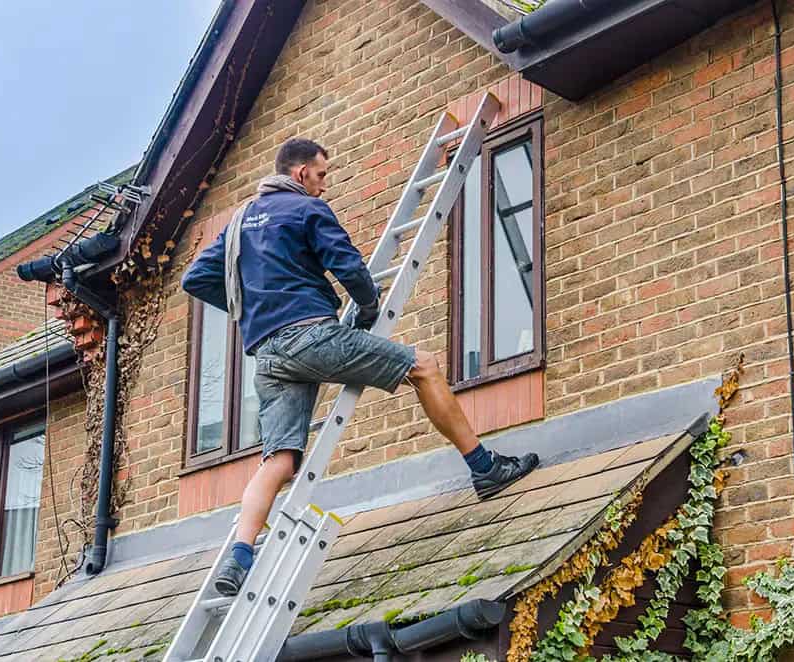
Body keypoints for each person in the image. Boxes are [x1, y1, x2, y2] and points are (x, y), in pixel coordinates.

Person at [181, 138, 538, 596]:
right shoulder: (306, 210)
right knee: (424, 367)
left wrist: (249, 305)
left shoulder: (238, 223)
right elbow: (348, 267)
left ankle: (240, 555)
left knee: (280, 459)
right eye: (322, 174)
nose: (324, 185)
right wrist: (367, 310)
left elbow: (196, 279)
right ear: (299, 174)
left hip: (266, 356)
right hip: (310, 336)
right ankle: (485, 467)